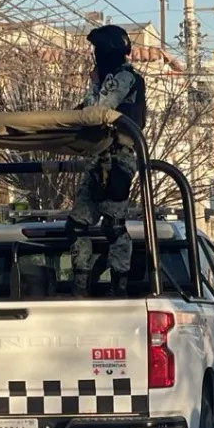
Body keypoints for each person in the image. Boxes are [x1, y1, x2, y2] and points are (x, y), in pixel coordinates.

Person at [68, 24, 146, 298]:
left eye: (97, 50)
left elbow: (96, 111)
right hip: (100, 155)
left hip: (119, 157)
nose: (95, 55)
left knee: (114, 226)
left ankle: (118, 288)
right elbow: (83, 113)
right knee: (77, 225)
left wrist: (94, 81)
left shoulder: (122, 78)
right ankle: (80, 284)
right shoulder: (113, 77)